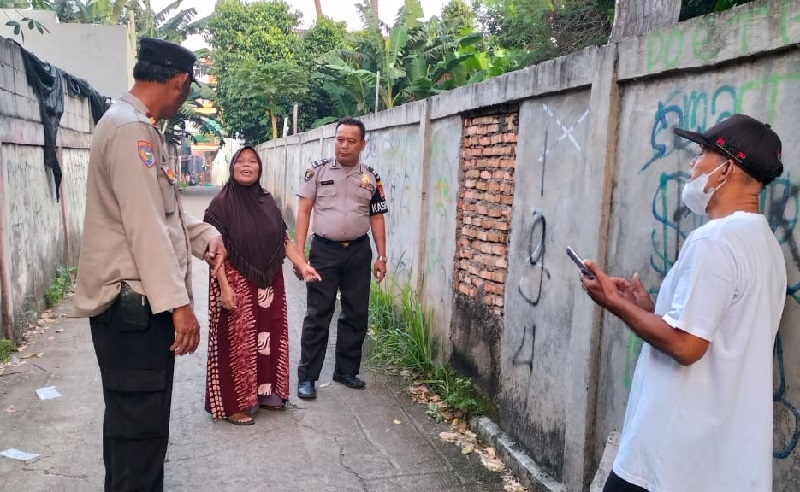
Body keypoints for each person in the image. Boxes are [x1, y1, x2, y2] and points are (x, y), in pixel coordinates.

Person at [580, 114, 787, 492]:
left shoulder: (716, 241)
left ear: (726, 167)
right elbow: (711, 333)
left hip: (669, 462)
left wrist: (614, 303)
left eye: (702, 152)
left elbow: (687, 346)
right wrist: (646, 309)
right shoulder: (766, 246)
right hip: (722, 467)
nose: (693, 163)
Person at [73, 38, 226, 491]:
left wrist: (204, 237)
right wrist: (179, 305)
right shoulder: (130, 131)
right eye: (187, 91)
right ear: (178, 82)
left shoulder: (136, 126)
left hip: (134, 313)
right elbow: (144, 227)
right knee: (138, 432)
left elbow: (163, 211)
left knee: (135, 431)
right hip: (133, 314)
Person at [203, 146, 321, 425]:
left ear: (260, 168)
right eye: (241, 162)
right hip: (235, 280)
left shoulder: (267, 201)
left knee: (270, 336)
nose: (247, 166)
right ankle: (234, 405)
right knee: (238, 343)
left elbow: (283, 239)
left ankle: (267, 394)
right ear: (232, 168)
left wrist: (302, 265)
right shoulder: (221, 204)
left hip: (269, 282)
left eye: (252, 162)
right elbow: (214, 251)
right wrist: (224, 288)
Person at [294, 117, 389, 399]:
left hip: (359, 252)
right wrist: (300, 256)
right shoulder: (317, 171)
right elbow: (303, 211)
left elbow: (377, 217)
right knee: (318, 313)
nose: (344, 146)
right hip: (324, 251)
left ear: (362, 144)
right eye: (339, 139)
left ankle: (346, 371)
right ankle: (308, 377)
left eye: (350, 141)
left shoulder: (371, 176)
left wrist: (381, 255)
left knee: (356, 312)